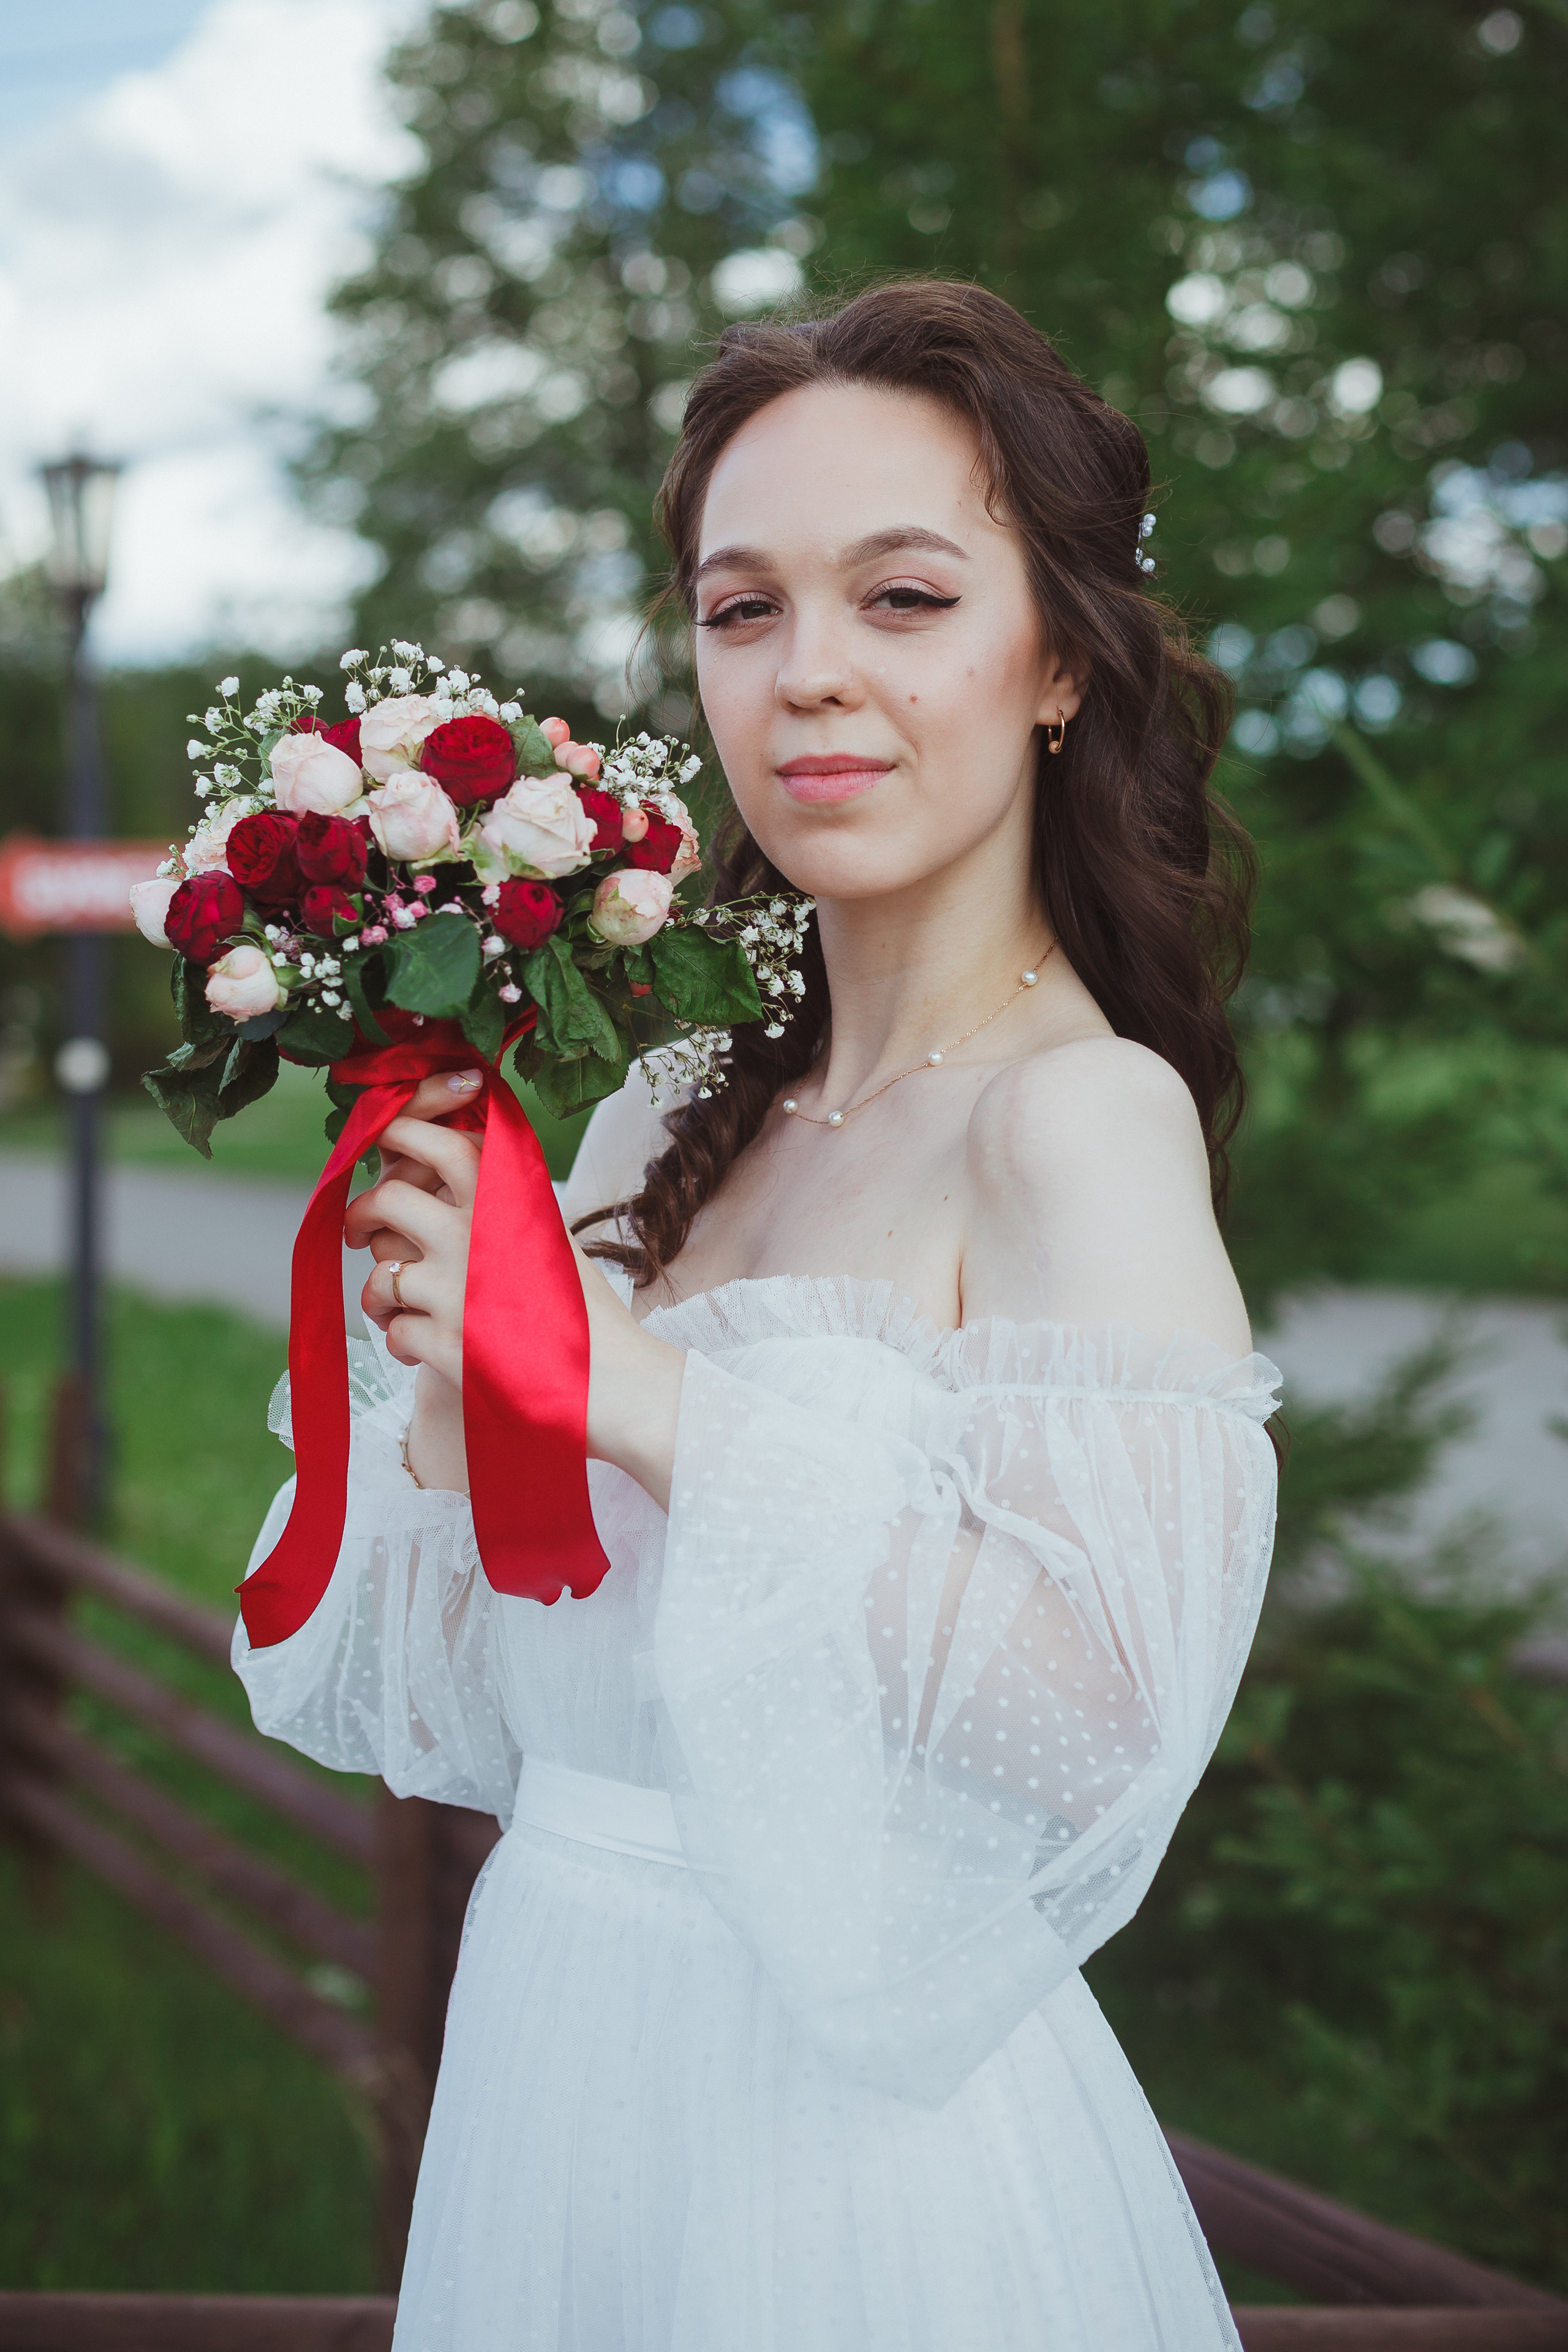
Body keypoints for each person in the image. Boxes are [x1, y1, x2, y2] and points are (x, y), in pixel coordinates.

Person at [235, 280, 1281, 2352]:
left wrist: (631, 1396)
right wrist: (458, 1394)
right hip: (559, 2070)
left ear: (1061, 657)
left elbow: (1102, 1728)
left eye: (902, 599)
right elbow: (492, 1697)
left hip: (856, 2165)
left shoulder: (1080, 1123)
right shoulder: (662, 1114)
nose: (810, 679)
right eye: (741, 612)